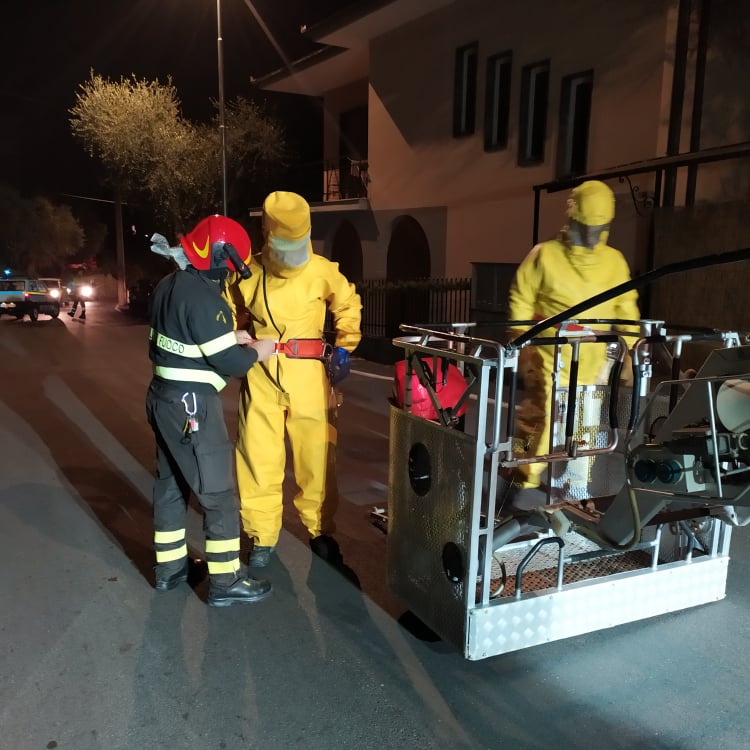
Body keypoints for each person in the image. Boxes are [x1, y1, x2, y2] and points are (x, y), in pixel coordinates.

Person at [146, 214, 277, 607]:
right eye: (232, 267)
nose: (231, 274)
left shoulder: (170, 284)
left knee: (171, 486)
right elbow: (232, 363)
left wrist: (228, 336)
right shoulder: (206, 298)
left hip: (162, 398)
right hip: (193, 408)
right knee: (218, 493)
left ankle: (170, 570)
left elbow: (184, 336)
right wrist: (257, 350)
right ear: (222, 258)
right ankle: (226, 579)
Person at [226, 191, 362, 568]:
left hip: (309, 377)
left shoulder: (321, 271)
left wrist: (346, 346)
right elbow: (226, 309)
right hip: (261, 373)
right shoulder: (248, 272)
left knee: (317, 458)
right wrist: (233, 337)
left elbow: (348, 302)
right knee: (258, 459)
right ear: (268, 236)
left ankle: (321, 532)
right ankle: (261, 536)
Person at [506, 180, 640, 499]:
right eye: (587, 226)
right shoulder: (545, 255)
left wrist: (630, 349)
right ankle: (521, 479)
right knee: (541, 419)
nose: (592, 234)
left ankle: (574, 492)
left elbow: (626, 309)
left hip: (592, 364)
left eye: (598, 227)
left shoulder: (614, 262)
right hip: (548, 357)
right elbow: (521, 298)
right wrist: (521, 340)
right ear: (574, 219)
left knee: (584, 427)